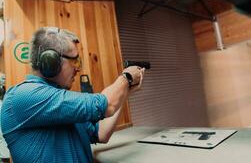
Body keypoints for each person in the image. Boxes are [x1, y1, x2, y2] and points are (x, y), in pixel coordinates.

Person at [1, 27, 144, 163]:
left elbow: (102, 133)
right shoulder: (22, 96)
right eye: (74, 60)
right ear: (51, 62)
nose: (78, 68)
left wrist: (125, 91)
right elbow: (105, 104)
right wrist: (126, 77)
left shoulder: (61, 101)